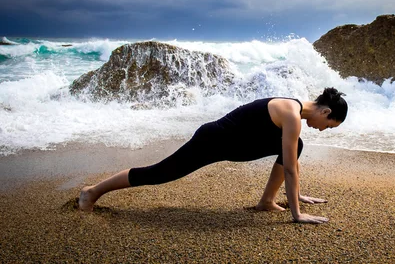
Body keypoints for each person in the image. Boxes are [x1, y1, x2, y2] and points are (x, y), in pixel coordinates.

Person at [78, 87, 348, 224]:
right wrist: (297, 215)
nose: (324, 130)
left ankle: (267, 201)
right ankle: (92, 192)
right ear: (325, 112)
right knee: (159, 174)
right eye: (329, 126)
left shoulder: (293, 111)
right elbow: (289, 169)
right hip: (212, 141)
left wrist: (296, 194)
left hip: (236, 146)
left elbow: (290, 162)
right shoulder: (291, 114)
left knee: (295, 146)